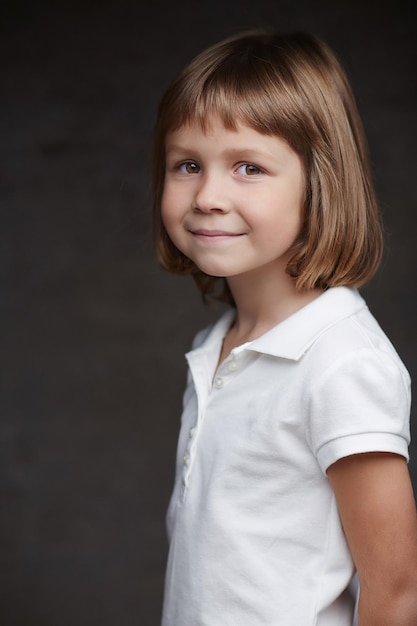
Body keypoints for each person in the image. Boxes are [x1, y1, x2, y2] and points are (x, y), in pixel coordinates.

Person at [151, 28, 417, 625]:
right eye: (187, 164)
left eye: (248, 167)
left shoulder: (341, 361)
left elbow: (397, 591)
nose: (208, 195)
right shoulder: (215, 343)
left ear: (319, 183)